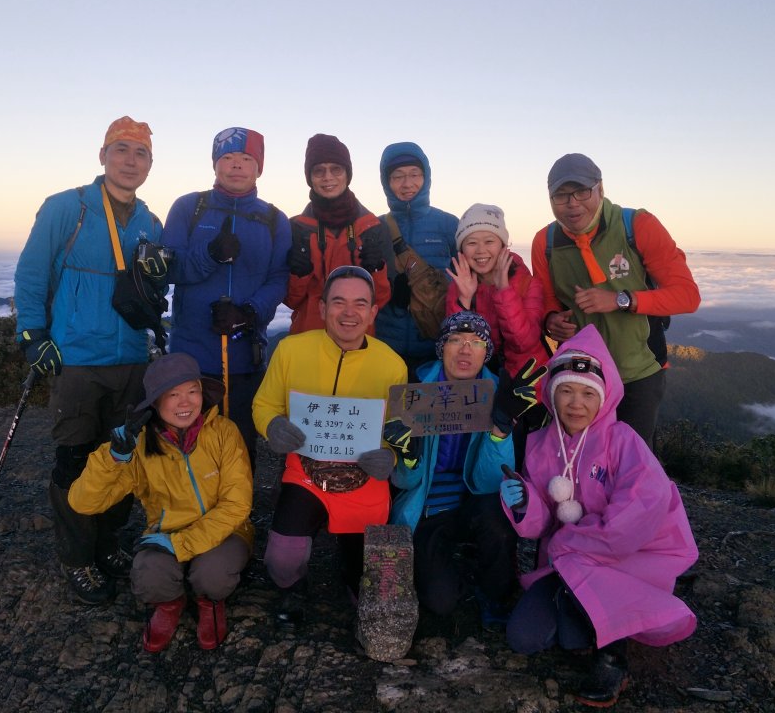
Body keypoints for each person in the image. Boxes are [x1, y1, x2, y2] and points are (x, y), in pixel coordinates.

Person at [500, 324, 698, 707]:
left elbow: (635, 515)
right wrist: (525, 504)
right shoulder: (541, 445)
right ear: (552, 396)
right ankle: (578, 611)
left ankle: (613, 657)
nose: (577, 403)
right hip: (563, 563)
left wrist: (569, 544)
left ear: (604, 399)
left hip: (624, 562)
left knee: (581, 626)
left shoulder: (623, 441)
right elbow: (542, 525)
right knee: (523, 639)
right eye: (567, 391)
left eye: (588, 393)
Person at [14, 116, 166, 605]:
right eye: (120, 150)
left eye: (140, 153)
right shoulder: (67, 208)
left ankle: (108, 545)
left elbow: (148, 295)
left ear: (149, 164)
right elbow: (31, 274)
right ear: (102, 156)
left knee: (122, 459)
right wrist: (33, 336)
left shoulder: (150, 222)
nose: (129, 160)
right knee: (76, 460)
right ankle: (77, 557)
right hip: (77, 359)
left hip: (131, 359)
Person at [68, 353, 253, 653]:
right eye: (173, 394)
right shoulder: (138, 445)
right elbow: (83, 502)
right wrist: (113, 457)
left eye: (192, 391)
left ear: (202, 394)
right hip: (166, 531)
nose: (185, 402)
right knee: (149, 574)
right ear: (155, 402)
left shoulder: (224, 433)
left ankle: (209, 603)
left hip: (225, 532)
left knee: (213, 575)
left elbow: (237, 505)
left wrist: (181, 545)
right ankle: (170, 605)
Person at [253, 265, 407, 623]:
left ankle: (349, 570)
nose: (348, 313)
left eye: (360, 304)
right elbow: (264, 404)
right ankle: (294, 587)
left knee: (365, 578)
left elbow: (397, 433)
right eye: (338, 302)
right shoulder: (291, 350)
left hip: (364, 479)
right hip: (305, 471)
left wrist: (391, 457)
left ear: (372, 312)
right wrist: (273, 425)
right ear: (321, 309)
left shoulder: (392, 366)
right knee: (281, 560)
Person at [384, 311, 544, 625]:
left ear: (487, 352)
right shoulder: (414, 390)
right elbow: (404, 481)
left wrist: (500, 430)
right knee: (440, 602)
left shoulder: (500, 394)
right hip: (428, 504)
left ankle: (494, 592)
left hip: (475, 498)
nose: (465, 350)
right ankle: (454, 568)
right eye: (455, 340)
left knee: (496, 522)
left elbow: (489, 482)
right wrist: (410, 457)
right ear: (441, 348)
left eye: (476, 342)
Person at [531, 153, 700, 446]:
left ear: (601, 189)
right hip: (578, 379)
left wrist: (621, 300)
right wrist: (551, 321)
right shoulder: (545, 242)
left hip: (638, 372)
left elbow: (687, 297)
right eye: (561, 195)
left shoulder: (637, 226)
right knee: (582, 462)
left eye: (582, 191)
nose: (572, 203)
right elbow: (546, 301)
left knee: (634, 463)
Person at [161, 127, 291, 468]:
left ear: (258, 167)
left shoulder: (275, 219)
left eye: (246, 158)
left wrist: (249, 312)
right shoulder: (189, 208)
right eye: (228, 157)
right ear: (215, 164)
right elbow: (170, 269)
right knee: (188, 443)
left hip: (244, 356)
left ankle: (238, 516)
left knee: (239, 443)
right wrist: (211, 254)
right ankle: (190, 514)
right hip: (191, 356)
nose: (237, 165)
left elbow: (279, 278)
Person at [285, 134, 391, 334]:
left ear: (347, 174)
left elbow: (381, 301)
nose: (328, 177)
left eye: (336, 169)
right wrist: (299, 276)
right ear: (310, 178)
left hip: (356, 342)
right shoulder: (295, 228)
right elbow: (291, 300)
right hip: (308, 341)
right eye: (319, 171)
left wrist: (376, 271)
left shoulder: (373, 228)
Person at [374, 142, 458, 378]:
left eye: (414, 174)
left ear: (426, 177)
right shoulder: (375, 227)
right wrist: (388, 292)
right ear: (386, 182)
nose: (407, 183)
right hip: (386, 346)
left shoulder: (448, 224)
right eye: (397, 176)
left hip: (437, 348)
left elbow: (472, 279)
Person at [448, 203, 550, 382]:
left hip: (523, 384)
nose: (481, 250)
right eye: (471, 243)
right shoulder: (458, 285)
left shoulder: (528, 283)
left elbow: (523, 343)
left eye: (489, 241)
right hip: (477, 380)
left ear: (503, 246)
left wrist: (504, 290)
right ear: (462, 250)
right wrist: (464, 300)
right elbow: (453, 346)